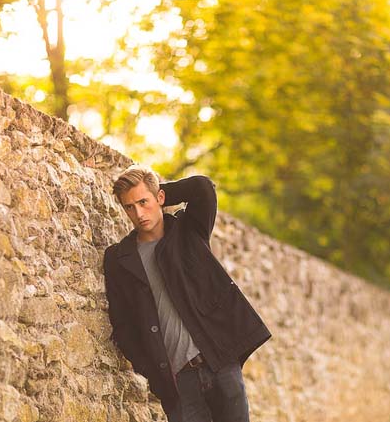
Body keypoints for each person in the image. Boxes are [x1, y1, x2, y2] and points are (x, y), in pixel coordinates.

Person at [102, 164, 272, 422]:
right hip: (178, 381)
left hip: (220, 363)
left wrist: (159, 191)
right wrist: (150, 371)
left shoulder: (188, 231)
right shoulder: (119, 258)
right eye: (129, 207)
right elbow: (122, 324)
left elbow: (202, 188)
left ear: (160, 198)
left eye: (143, 202)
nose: (138, 213)